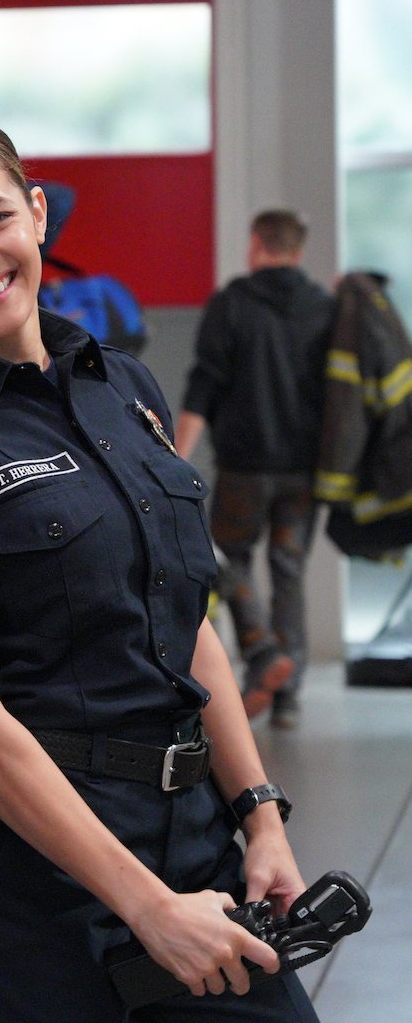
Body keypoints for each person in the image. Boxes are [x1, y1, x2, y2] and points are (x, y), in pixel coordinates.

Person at [0, 112, 318, 1021]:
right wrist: (146, 907)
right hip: (29, 899)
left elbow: (188, 627)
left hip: (196, 846)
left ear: (35, 215)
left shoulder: (121, 385)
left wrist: (259, 817)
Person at [176, 210, 334, 729]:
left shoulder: (232, 304)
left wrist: (175, 456)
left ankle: (262, 650)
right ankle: (287, 697)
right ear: (298, 250)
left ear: (257, 244)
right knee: (289, 571)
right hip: (304, 471)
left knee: (227, 556)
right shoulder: (323, 308)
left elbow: (205, 383)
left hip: (245, 467)